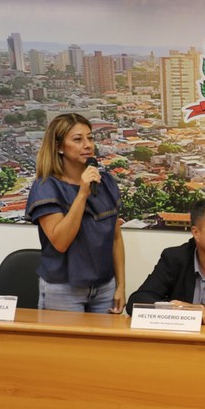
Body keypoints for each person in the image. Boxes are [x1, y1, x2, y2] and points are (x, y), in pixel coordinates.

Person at [25, 113, 125, 313]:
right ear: (59, 147)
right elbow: (61, 242)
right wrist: (82, 193)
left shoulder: (105, 182)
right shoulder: (46, 187)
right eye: (78, 140)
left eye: (90, 138)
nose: (87, 145)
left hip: (104, 287)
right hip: (63, 290)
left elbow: (115, 237)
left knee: (106, 336)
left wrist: (121, 285)